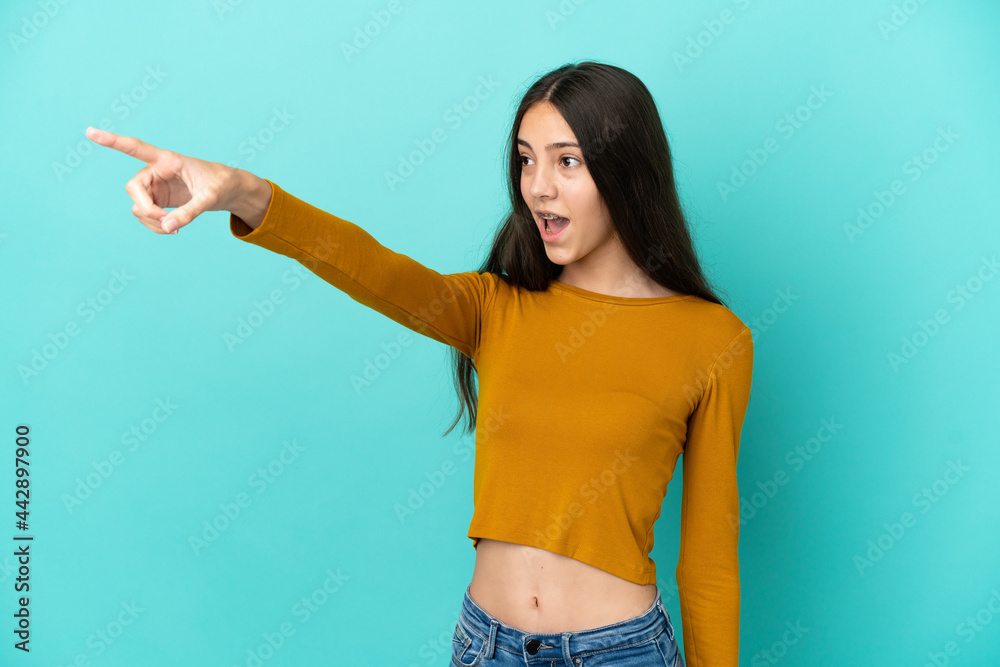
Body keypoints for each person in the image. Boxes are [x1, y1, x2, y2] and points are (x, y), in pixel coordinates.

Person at [88, 60, 753, 667]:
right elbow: (372, 267)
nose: (537, 189)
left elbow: (709, 561)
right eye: (525, 161)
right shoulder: (495, 307)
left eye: (567, 162)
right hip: (486, 644)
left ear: (626, 170)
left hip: (622, 653)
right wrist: (244, 192)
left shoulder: (713, 340)